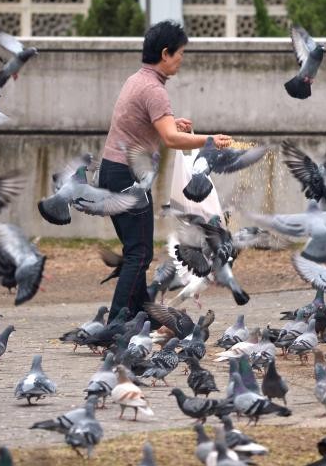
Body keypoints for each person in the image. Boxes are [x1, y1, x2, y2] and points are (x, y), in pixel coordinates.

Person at [99, 20, 233, 321]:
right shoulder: (154, 90)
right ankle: (118, 322)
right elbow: (172, 139)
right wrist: (210, 140)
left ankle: (141, 317)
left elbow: (151, 127)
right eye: (180, 54)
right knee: (139, 253)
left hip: (111, 173)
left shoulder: (136, 80)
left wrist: (174, 124)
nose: (181, 60)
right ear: (164, 53)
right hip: (127, 179)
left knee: (137, 250)